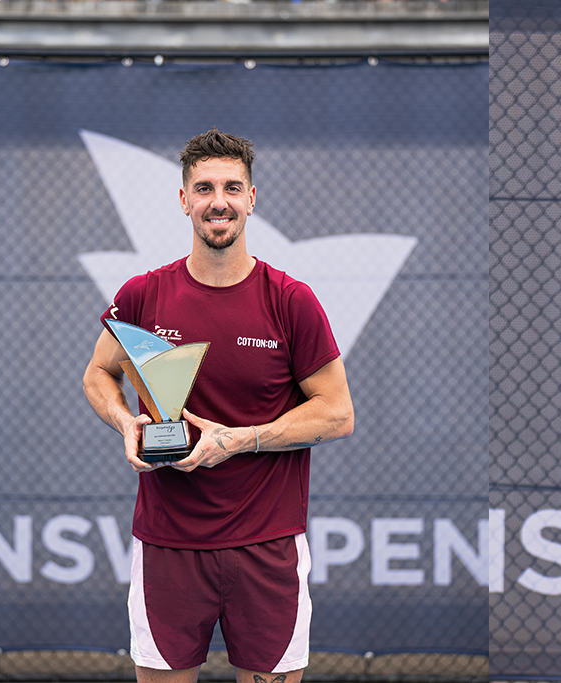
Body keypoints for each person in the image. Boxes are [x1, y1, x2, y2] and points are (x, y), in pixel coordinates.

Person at [83, 128, 354, 683]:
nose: (218, 201)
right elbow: (98, 373)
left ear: (251, 198)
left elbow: (337, 412)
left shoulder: (291, 300)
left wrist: (240, 440)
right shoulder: (143, 295)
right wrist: (125, 422)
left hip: (267, 547)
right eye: (204, 188)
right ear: (184, 200)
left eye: (232, 187)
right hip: (168, 546)